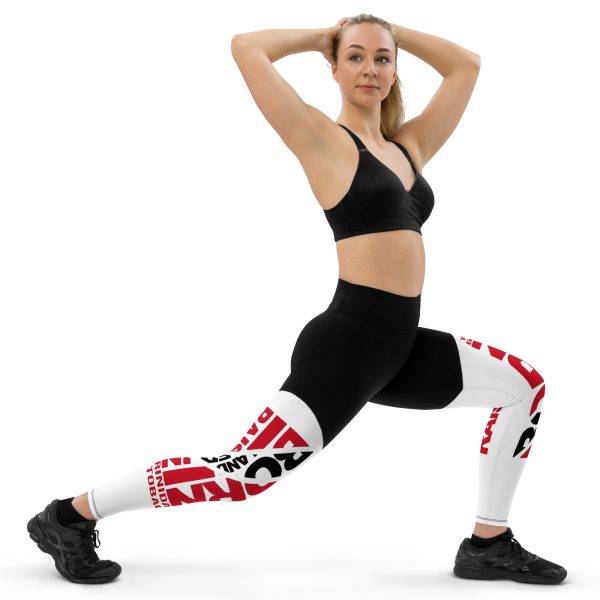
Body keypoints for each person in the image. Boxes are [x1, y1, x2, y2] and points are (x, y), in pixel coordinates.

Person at [26, 14, 567, 585]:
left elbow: (466, 66)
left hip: (398, 345)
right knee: (244, 474)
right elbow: (247, 48)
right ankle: (69, 515)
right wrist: (323, 37)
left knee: (522, 387)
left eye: (382, 59)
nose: (370, 69)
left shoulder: (408, 148)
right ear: (333, 69)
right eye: (354, 57)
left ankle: (488, 543)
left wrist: (387, 32)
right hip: (349, 345)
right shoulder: (321, 140)